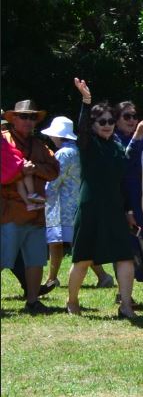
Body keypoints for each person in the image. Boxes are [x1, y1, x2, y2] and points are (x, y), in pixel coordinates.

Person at [65, 80, 143, 318]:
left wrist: (129, 210)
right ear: (93, 124)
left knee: (125, 256)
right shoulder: (88, 144)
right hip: (91, 208)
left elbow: (124, 180)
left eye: (111, 121)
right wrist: (86, 102)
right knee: (83, 259)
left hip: (114, 209)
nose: (108, 125)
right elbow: (81, 128)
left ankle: (126, 306)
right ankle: (72, 302)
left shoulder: (116, 147)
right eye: (102, 122)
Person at [2, 100, 60, 312]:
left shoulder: (39, 145)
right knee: (2, 258)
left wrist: (34, 168)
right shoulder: (3, 140)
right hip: (9, 212)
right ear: (13, 119)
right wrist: (19, 173)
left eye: (32, 117)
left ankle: (33, 301)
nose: (28, 121)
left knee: (36, 259)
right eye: (24, 116)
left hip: (36, 213)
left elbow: (54, 170)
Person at [40, 115, 83, 294]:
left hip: (62, 205)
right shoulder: (77, 150)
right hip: (72, 203)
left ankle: (103, 276)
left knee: (63, 241)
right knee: (63, 241)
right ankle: (52, 277)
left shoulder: (64, 153)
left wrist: (41, 194)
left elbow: (55, 179)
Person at [111, 101, 143, 282]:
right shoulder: (113, 139)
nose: (132, 120)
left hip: (140, 199)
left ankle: (129, 288)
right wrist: (137, 137)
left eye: (135, 116)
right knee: (124, 248)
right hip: (122, 201)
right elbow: (123, 167)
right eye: (126, 116)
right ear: (116, 120)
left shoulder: (141, 140)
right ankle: (123, 292)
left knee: (138, 244)